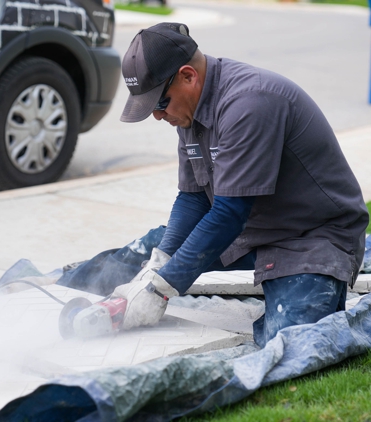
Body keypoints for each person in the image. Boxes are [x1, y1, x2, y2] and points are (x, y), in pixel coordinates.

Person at [111, 22, 369, 347]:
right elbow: (193, 198)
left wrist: (163, 287)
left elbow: (229, 213)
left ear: (188, 76)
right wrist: (160, 264)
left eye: (160, 104)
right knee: (135, 257)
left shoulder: (250, 102)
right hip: (249, 231)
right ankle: (54, 285)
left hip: (309, 236)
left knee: (291, 339)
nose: (158, 117)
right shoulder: (188, 111)